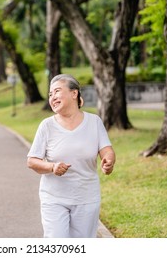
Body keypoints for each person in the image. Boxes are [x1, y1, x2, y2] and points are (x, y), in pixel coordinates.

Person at [27, 74, 115, 238]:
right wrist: (52, 167)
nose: (52, 97)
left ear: (74, 94)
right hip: (53, 198)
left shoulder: (94, 122)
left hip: (86, 197)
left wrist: (108, 161)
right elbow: (32, 161)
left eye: (57, 91)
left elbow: (106, 150)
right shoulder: (47, 126)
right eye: (50, 94)